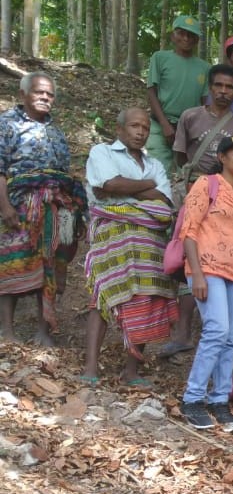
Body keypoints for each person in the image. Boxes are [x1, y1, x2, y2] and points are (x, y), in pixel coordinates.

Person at [82, 108, 179, 384]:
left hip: (149, 240)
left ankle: (131, 371)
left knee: (147, 297)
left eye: (145, 128)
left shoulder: (155, 164)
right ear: (119, 129)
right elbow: (107, 184)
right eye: (135, 126)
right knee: (102, 296)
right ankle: (90, 368)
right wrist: (145, 187)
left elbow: (164, 202)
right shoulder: (102, 153)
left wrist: (124, 189)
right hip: (111, 235)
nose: (140, 132)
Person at [0, 72, 86, 346]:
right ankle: (8, 331)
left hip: (53, 207)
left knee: (48, 266)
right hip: (19, 205)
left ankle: (43, 331)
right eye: (39, 92)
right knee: (11, 264)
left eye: (49, 94)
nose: (45, 97)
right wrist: (5, 207)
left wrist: (74, 213)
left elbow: (64, 174)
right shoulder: (6, 125)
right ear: (23, 95)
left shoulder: (56, 132)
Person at [177, 135, 233, 432]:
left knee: (231, 338)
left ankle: (219, 400)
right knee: (217, 330)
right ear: (222, 157)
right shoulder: (206, 184)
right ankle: (193, 398)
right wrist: (195, 272)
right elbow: (189, 230)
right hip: (207, 268)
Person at [144, 15, 211, 172]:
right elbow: (151, 92)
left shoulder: (205, 67)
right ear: (173, 36)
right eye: (181, 33)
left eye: (191, 35)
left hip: (188, 128)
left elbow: (204, 102)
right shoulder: (160, 58)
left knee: (185, 173)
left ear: (197, 40)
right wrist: (165, 124)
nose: (186, 38)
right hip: (160, 124)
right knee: (159, 171)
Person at [173, 64, 233, 182]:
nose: (223, 91)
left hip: (229, 188)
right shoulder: (190, 116)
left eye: (229, 87)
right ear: (210, 87)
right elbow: (180, 156)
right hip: (194, 184)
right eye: (218, 85)